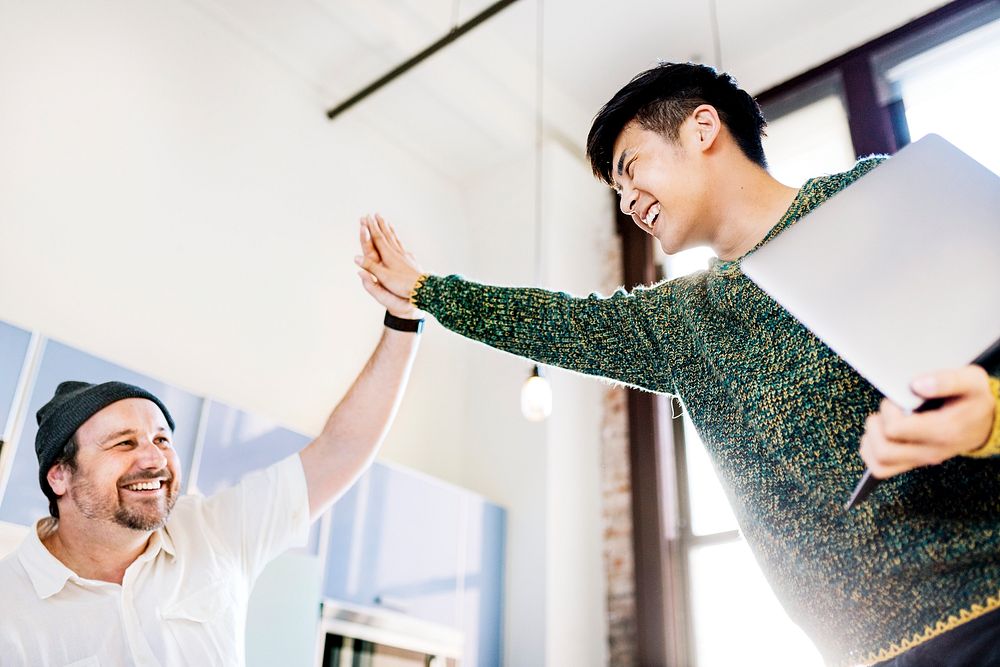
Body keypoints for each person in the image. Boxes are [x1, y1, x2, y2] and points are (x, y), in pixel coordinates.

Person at [354, 63, 1000, 666]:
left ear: (702, 127)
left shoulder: (874, 195)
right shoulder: (679, 322)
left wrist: (988, 420)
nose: (628, 201)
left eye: (632, 168)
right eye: (617, 191)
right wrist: (427, 290)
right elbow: (555, 322)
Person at [0, 283, 426, 666]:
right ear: (60, 476)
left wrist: (403, 319)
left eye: (162, 440)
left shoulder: (213, 532)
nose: (154, 459)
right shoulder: (9, 607)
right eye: (124, 443)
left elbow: (341, 450)